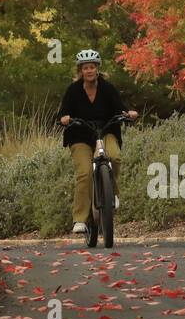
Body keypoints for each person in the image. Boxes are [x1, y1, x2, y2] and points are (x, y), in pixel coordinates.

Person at [57, 49, 138, 234]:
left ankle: (112, 194)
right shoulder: (74, 90)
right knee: (85, 173)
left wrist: (128, 114)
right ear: (80, 70)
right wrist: (64, 118)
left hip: (106, 130)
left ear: (97, 68)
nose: (89, 71)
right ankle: (80, 219)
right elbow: (62, 112)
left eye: (92, 67)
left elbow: (120, 108)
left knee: (115, 157)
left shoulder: (107, 88)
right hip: (80, 135)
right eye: (85, 68)